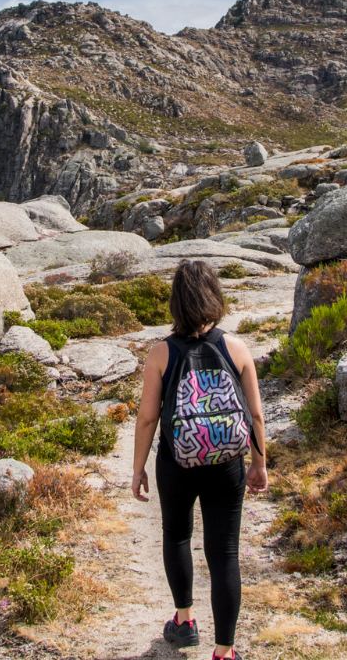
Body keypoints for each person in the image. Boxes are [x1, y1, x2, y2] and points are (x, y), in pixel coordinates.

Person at [132, 260, 268, 660]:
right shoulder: (236, 348)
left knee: (177, 535)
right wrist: (259, 464)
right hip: (227, 463)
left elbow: (147, 418)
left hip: (177, 461)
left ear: (176, 301)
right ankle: (224, 651)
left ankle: (185, 622)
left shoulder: (161, 353)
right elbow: (256, 414)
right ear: (214, 297)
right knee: (224, 552)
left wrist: (138, 469)